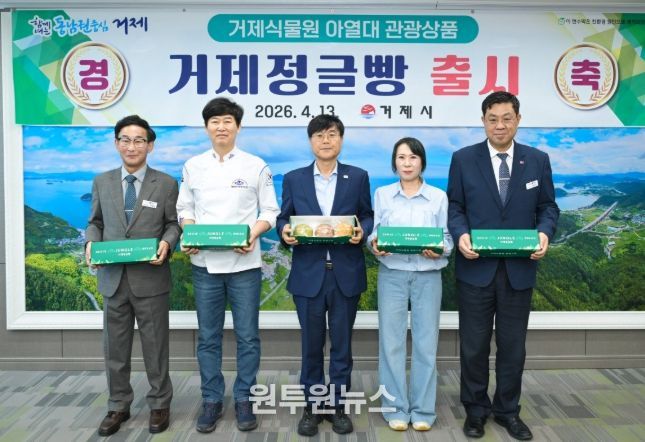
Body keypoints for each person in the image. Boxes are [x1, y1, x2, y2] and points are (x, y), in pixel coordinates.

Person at [447, 91, 559, 441]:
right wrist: (461, 235)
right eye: (492, 119)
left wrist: (544, 233)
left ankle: (508, 410)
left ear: (518, 120)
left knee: (513, 347)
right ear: (483, 121)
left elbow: (548, 207)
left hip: (518, 271)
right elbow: (455, 207)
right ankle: (476, 410)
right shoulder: (463, 159)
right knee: (474, 346)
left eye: (507, 118)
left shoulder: (537, 160)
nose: (500, 125)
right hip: (475, 268)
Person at [176, 97, 279, 433]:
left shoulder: (256, 165)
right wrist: (189, 232)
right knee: (208, 337)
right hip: (204, 265)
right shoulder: (192, 166)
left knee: (248, 337)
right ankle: (211, 399)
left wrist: (253, 234)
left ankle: (245, 397)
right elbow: (184, 208)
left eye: (227, 121)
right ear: (207, 127)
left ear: (238, 126)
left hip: (245, 264)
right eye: (215, 121)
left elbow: (270, 211)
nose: (221, 127)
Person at [276, 114, 374, 437]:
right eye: (319, 135)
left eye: (332, 134)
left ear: (341, 139)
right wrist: (284, 231)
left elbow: (367, 216)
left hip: (345, 274)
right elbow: (284, 218)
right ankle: (313, 406)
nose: (326, 140)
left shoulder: (357, 177)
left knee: (342, 346)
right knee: (312, 346)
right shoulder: (294, 178)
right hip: (309, 275)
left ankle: (338, 405)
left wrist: (363, 231)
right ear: (310, 142)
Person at [86, 115, 180, 436]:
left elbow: (173, 224)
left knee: (156, 347)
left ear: (150, 145)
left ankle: (160, 404)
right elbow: (95, 222)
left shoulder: (165, 183)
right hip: (113, 279)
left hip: (151, 279)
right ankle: (118, 405)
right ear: (116, 144)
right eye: (125, 140)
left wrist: (167, 243)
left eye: (139, 140)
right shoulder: (101, 181)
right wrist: (90, 243)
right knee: (115, 348)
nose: (132, 146)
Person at [368, 137, 453, 432]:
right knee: (390, 343)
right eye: (401, 157)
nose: (407, 163)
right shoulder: (382, 194)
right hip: (392, 274)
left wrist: (440, 249)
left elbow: (447, 238)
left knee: (426, 344)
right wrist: (375, 244)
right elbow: (375, 233)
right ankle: (395, 408)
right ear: (394, 163)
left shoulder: (438, 197)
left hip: (428, 275)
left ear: (422, 162)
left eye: (413, 157)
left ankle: (423, 410)